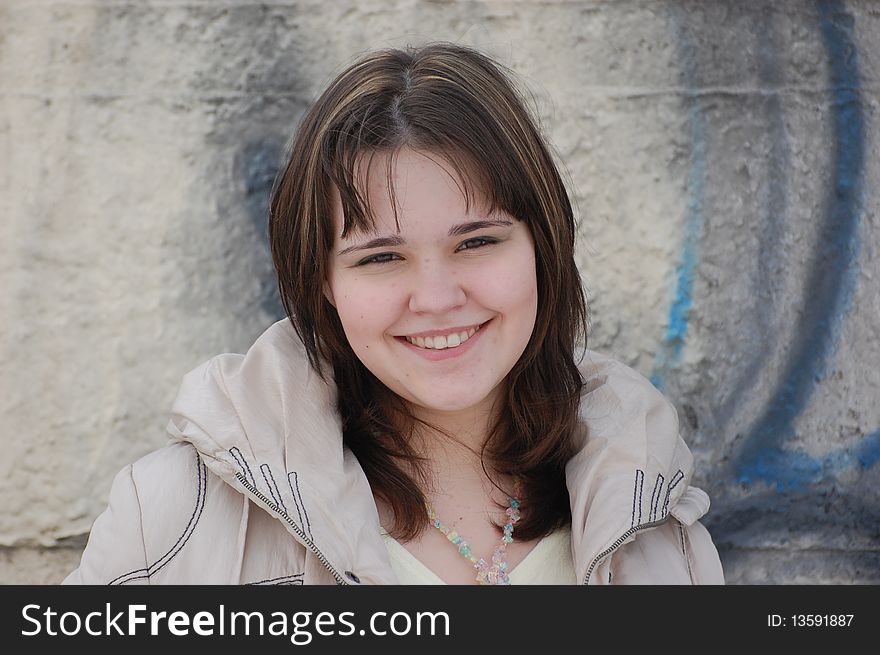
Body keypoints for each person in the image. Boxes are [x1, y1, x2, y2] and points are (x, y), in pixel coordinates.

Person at [64, 42, 724, 585]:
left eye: (477, 242)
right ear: (323, 280)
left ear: (542, 249)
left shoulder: (654, 520)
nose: (436, 298)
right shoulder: (171, 517)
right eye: (381, 258)